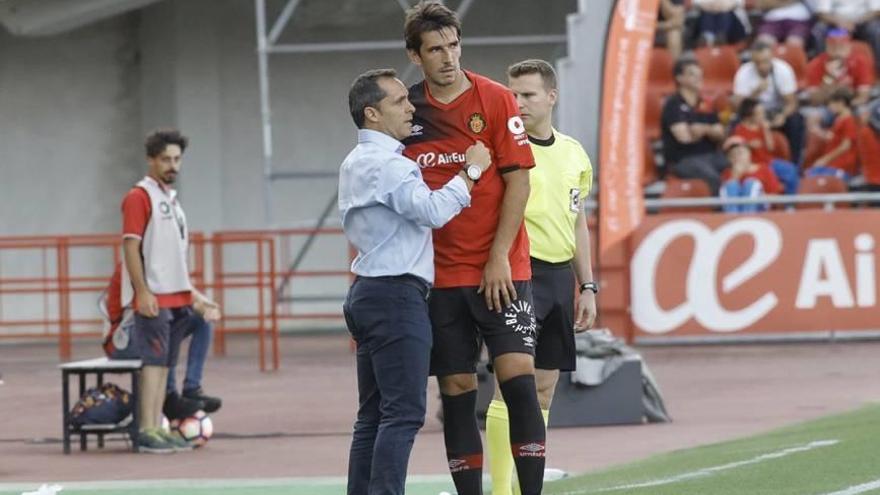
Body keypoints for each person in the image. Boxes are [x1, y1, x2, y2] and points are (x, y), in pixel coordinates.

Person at [401, 3, 546, 494]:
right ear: (416, 56)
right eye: (436, 49)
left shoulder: (497, 99)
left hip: (502, 268)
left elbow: (519, 184)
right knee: (457, 391)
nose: (448, 57)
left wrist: (499, 255)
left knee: (518, 380)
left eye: (453, 45)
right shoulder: (408, 111)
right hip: (439, 276)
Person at [340, 68, 488, 495]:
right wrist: (471, 172)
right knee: (402, 413)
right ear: (372, 113)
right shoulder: (388, 164)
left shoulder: (355, 161)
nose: (412, 107)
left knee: (373, 415)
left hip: (368, 290)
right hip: (395, 294)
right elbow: (432, 212)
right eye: (399, 102)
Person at [484, 59, 598, 495]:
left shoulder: (573, 152)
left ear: (551, 96)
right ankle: (499, 490)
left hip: (557, 280)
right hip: (518, 275)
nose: (518, 103)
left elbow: (576, 219)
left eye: (528, 95)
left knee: (545, 390)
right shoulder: (503, 151)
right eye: (512, 95)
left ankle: (521, 485)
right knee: (511, 384)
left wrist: (586, 284)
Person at [120, 128, 222, 453]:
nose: (172, 165)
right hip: (155, 299)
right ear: (151, 159)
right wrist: (142, 292)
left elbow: (173, 261)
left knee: (165, 365)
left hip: (177, 299)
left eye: (177, 159)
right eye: (165, 159)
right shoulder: (140, 196)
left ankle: (159, 426)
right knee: (152, 365)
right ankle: (146, 428)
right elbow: (131, 248)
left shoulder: (172, 201)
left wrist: (197, 297)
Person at [101, 262, 222, 419]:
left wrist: (206, 306)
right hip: (121, 340)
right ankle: (169, 396)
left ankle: (192, 388)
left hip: (144, 329)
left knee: (200, 320)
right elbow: (168, 297)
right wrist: (199, 303)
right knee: (164, 320)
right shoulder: (136, 264)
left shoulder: (160, 263)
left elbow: (181, 290)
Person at [732, 40, 806, 165]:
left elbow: (792, 103)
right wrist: (755, 93)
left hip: (777, 110)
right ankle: (737, 162)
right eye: (757, 63)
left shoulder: (783, 70)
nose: (762, 66)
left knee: (796, 121)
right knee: (734, 123)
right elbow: (738, 106)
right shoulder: (744, 72)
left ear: (772, 57)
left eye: (765, 61)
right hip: (753, 112)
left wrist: (783, 115)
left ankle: (795, 163)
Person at [661, 58, 728, 194]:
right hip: (684, 160)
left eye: (700, 74)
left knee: (736, 168)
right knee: (713, 179)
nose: (699, 78)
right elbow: (684, 137)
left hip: (711, 155)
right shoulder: (673, 104)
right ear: (679, 78)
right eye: (692, 74)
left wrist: (702, 129)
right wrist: (710, 131)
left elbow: (721, 134)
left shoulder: (706, 103)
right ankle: (719, 214)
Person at [805, 29, 875, 108]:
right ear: (827, 46)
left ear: (849, 45)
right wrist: (829, 77)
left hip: (853, 105)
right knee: (814, 116)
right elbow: (815, 100)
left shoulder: (860, 62)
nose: (837, 50)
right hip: (826, 106)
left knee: (863, 112)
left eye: (841, 46)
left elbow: (863, 97)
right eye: (833, 46)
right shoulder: (816, 64)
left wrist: (844, 109)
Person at [807, 87, 859, 180]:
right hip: (832, 163)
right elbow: (833, 138)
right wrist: (818, 132)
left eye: (831, 103)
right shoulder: (839, 119)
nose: (829, 107)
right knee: (809, 174)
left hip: (841, 164)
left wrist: (825, 159)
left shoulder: (849, 120)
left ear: (841, 103)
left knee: (813, 178)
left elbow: (845, 146)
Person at [812, 0, 880, 71]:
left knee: (876, 30)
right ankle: (821, 68)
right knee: (819, 30)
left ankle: (877, 69)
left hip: (863, 21)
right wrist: (839, 21)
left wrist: (858, 21)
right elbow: (822, 12)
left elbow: (877, 10)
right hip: (835, 22)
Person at [720, 136, 768, 213]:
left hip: (760, 210)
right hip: (735, 210)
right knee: (731, 185)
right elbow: (725, 195)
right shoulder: (727, 173)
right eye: (732, 155)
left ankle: (747, 218)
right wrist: (735, 176)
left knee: (751, 184)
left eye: (740, 152)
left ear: (749, 153)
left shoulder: (763, 169)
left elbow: (775, 195)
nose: (737, 157)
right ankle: (733, 219)